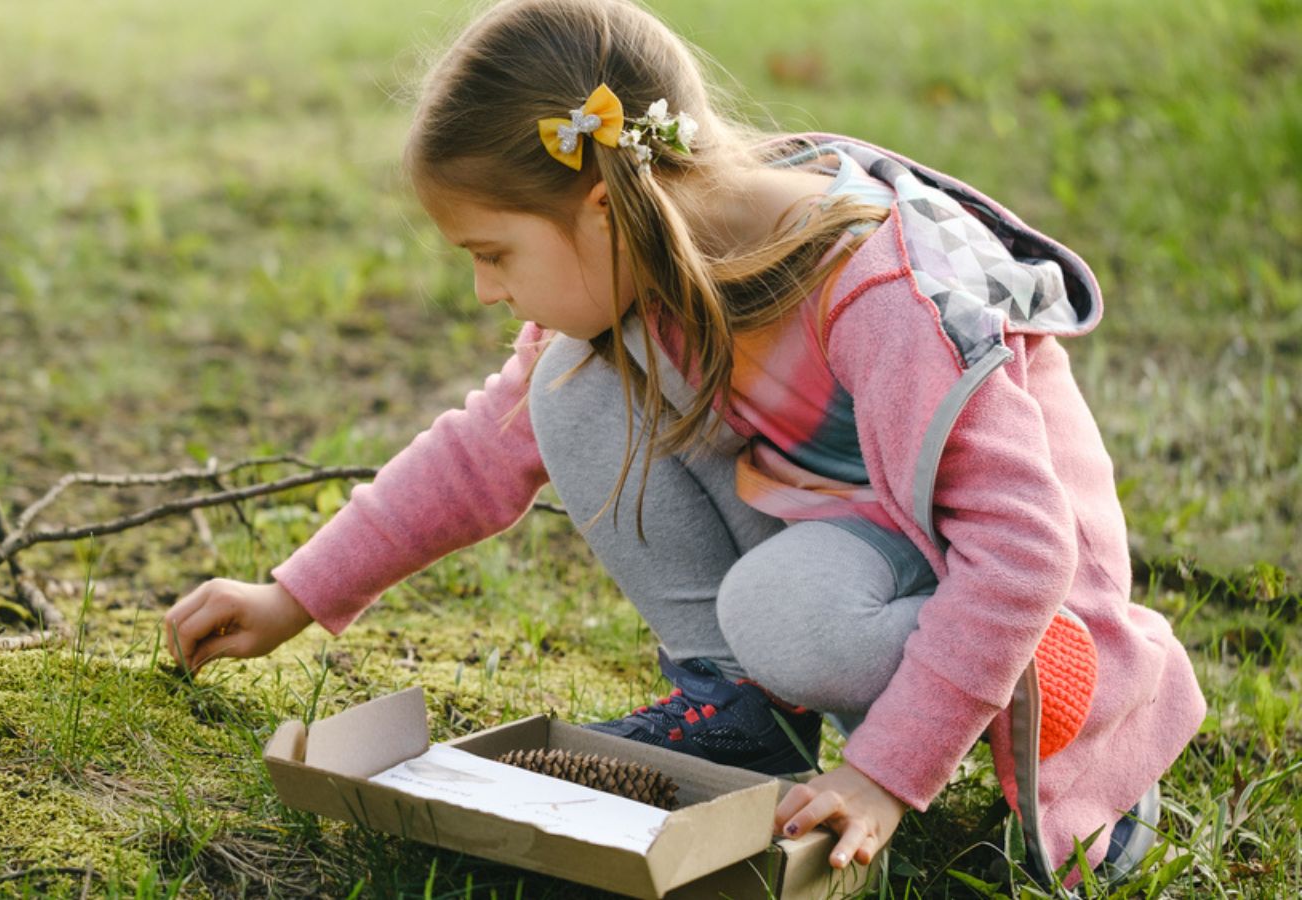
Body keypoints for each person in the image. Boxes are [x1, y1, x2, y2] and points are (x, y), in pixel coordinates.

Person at [162, 0, 1205, 888]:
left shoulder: (884, 293)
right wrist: (291, 596)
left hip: (1018, 582)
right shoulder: (648, 271)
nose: (483, 288)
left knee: (782, 614)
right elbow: (482, 450)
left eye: (492, 253)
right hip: (853, 540)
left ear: (606, 203)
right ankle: (742, 712)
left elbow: (1024, 548)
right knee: (568, 382)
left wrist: (881, 775)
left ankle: (1071, 704)